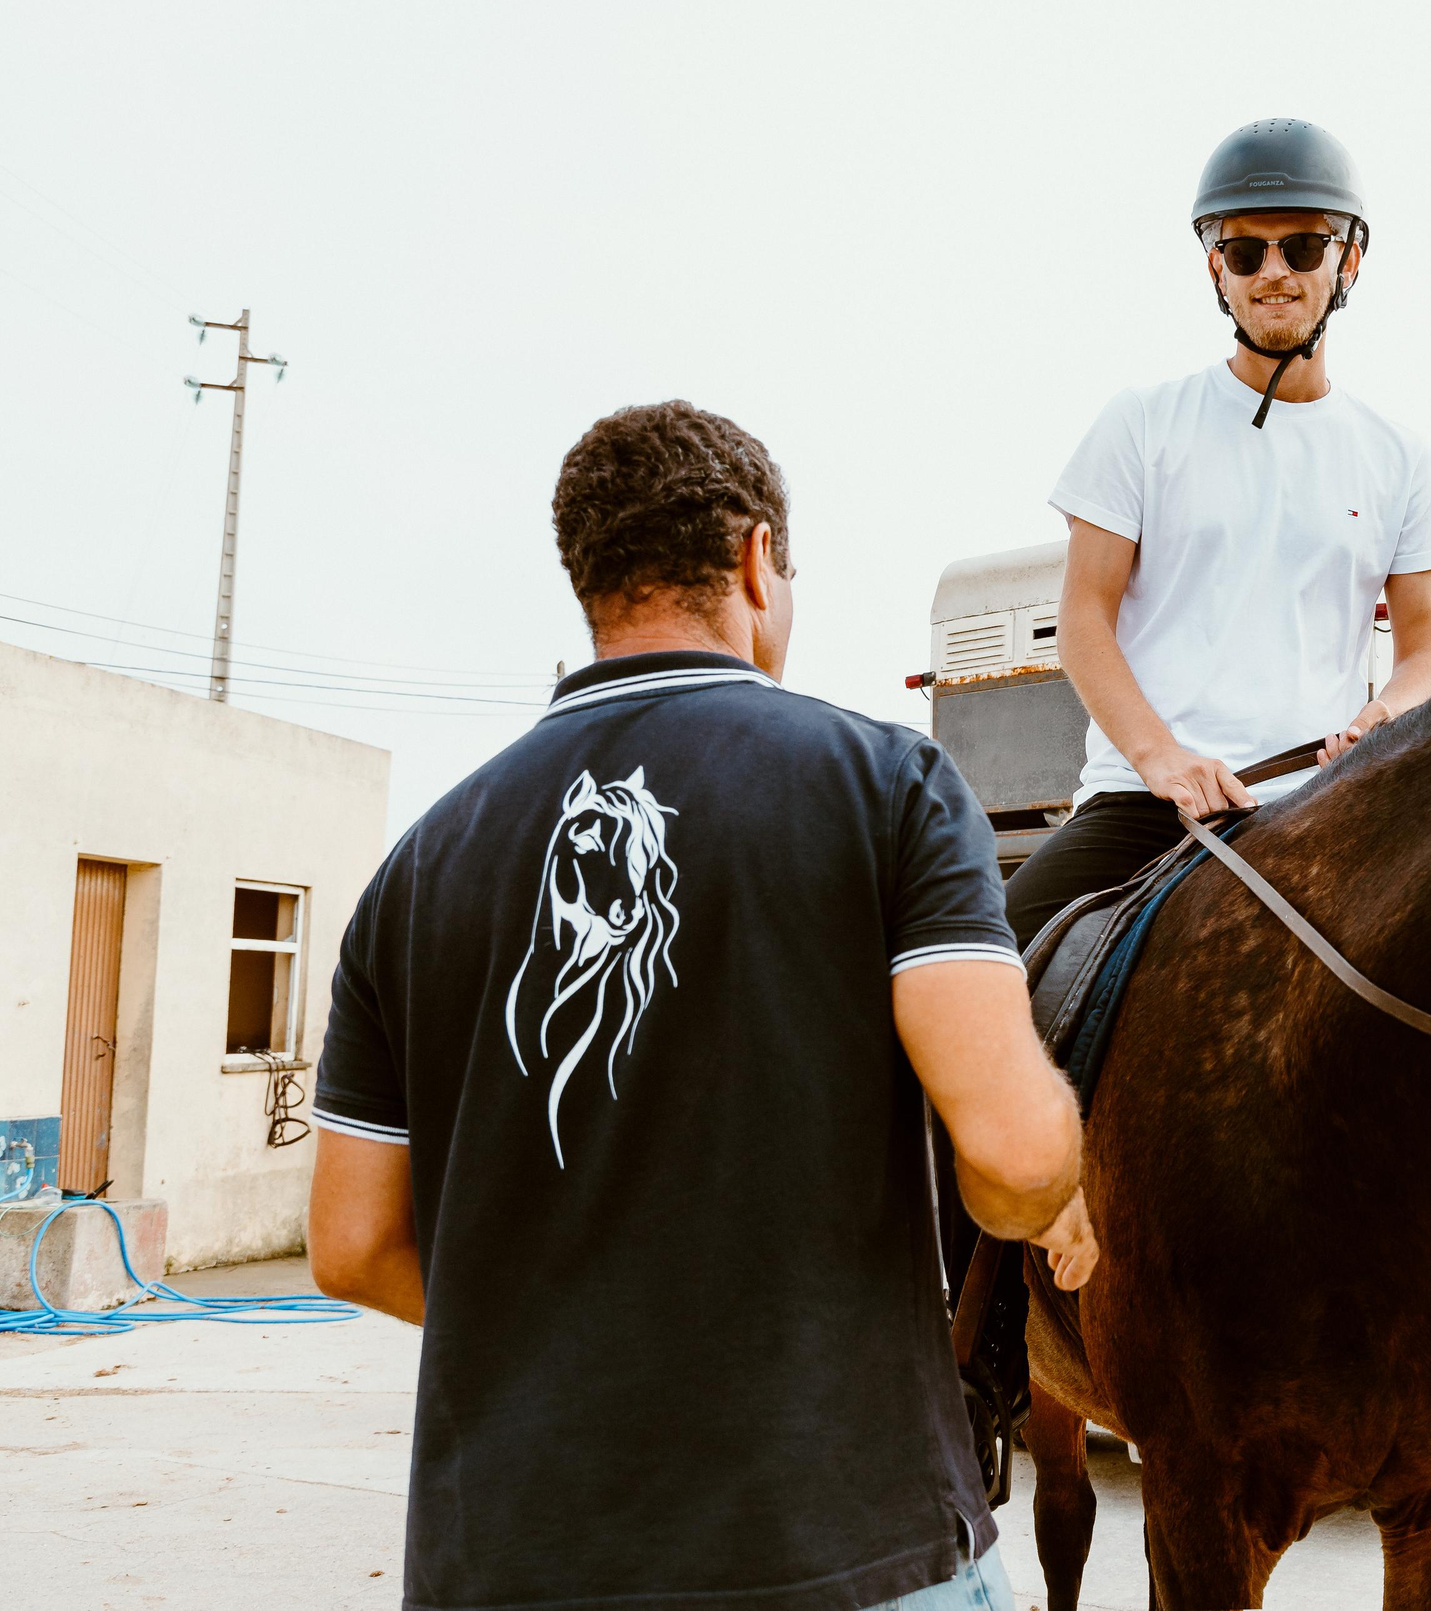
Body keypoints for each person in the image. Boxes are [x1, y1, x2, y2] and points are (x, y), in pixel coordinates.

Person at [305, 400, 1097, 1611]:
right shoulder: (884, 785)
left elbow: (352, 1245)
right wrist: (1055, 1176)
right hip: (842, 1544)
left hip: (508, 1563)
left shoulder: (419, 867)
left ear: (591, 581)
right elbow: (1006, 1152)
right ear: (755, 561)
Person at [1000, 116, 1431, 948]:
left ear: (1349, 259)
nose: (1274, 273)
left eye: (1302, 247)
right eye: (1246, 253)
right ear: (1217, 267)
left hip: (1313, 809)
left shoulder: (1401, 460)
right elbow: (1083, 620)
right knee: (976, 971)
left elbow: (1427, 650)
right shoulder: (1143, 424)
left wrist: (1385, 715)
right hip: (1142, 807)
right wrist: (1162, 761)